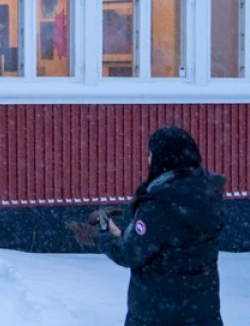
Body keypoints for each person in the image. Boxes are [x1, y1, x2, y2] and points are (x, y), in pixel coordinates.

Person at [68, 126, 226, 326]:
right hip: (202, 313)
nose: (148, 159)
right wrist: (119, 232)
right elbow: (169, 242)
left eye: (150, 153)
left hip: (158, 314)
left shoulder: (160, 204)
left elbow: (130, 255)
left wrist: (100, 235)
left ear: (163, 158)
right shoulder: (207, 196)